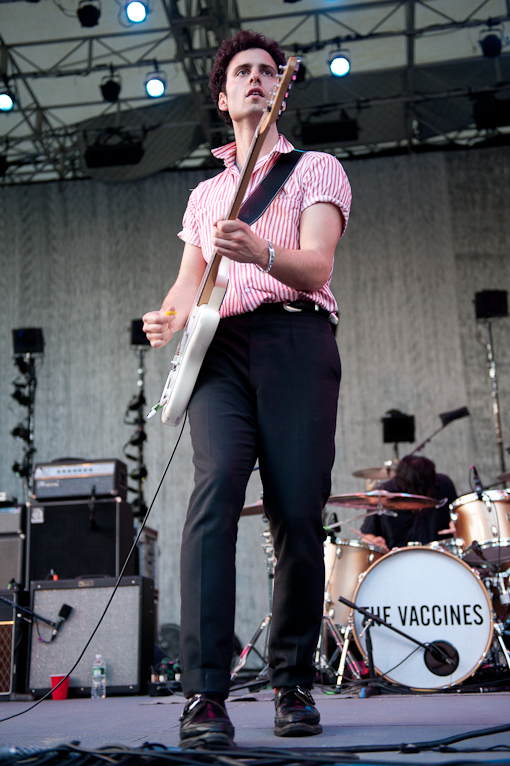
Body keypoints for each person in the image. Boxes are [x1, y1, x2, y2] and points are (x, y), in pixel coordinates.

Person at [143, 30, 351, 749]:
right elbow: (187, 283)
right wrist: (163, 318)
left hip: (297, 339)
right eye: (243, 72)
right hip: (220, 352)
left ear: (280, 90)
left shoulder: (316, 169)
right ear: (223, 96)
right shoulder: (205, 195)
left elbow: (316, 267)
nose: (257, 79)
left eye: (268, 70)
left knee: (296, 508)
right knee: (214, 492)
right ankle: (205, 693)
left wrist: (259, 248)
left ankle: (291, 682)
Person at [360, 455, 457, 552]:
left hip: (440, 557)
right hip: (395, 561)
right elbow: (367, 535)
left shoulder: (444, 484)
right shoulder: (382, 495)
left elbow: (459, 520)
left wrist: (457, 526)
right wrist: (374, 542)